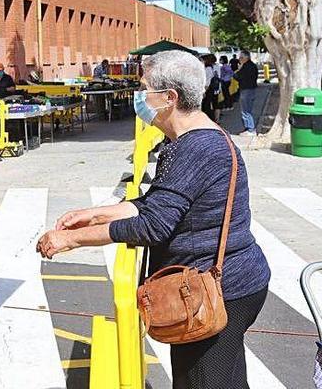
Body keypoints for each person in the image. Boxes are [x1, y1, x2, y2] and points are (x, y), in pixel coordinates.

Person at [36, 50, 270, 389]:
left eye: (144, 89)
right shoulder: (199, 137)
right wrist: (92, 215)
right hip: (233, 285)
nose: (139, 97)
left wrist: (69, 240)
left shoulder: (194, 148)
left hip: (214, 291)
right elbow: (155, 202)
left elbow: (152, 225)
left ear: (169, 98)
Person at [233, 50, 259, 135]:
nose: (239, 59)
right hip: (251, 89)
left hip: (246, 90)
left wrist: (238, 70)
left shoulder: (245, 67)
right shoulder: (253, 66)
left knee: (245, 110)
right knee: (248, 109)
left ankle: (250, 129)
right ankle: (249, 128)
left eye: (241, 57)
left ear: (246, 57)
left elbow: (237, 77)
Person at [201, 54, 221, 122]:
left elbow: (207, 82)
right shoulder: (217, 66)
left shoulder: (208, 69)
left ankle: (210, 120)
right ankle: (216, 119)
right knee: (215, 103)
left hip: (209, 89)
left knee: (207, 105)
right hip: (216, 88)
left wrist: (204, 91)